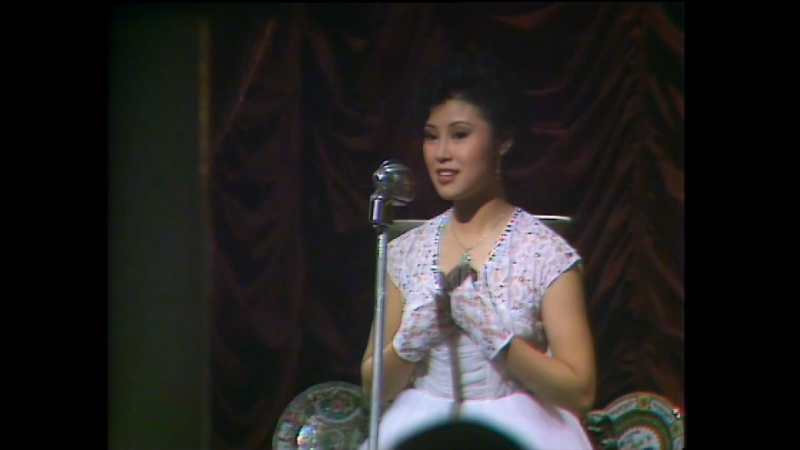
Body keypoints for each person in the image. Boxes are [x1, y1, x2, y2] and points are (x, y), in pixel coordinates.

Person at [359, 49, 596, 450]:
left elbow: (580, 392)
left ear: (502, 141)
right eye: (431, 136)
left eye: (460, 135)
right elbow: (373, 385)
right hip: (421, 426)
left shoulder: (544, 253)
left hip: (518, 428)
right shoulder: (406, 251)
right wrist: (414, 338)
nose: (441, 153)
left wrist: (495, 335)